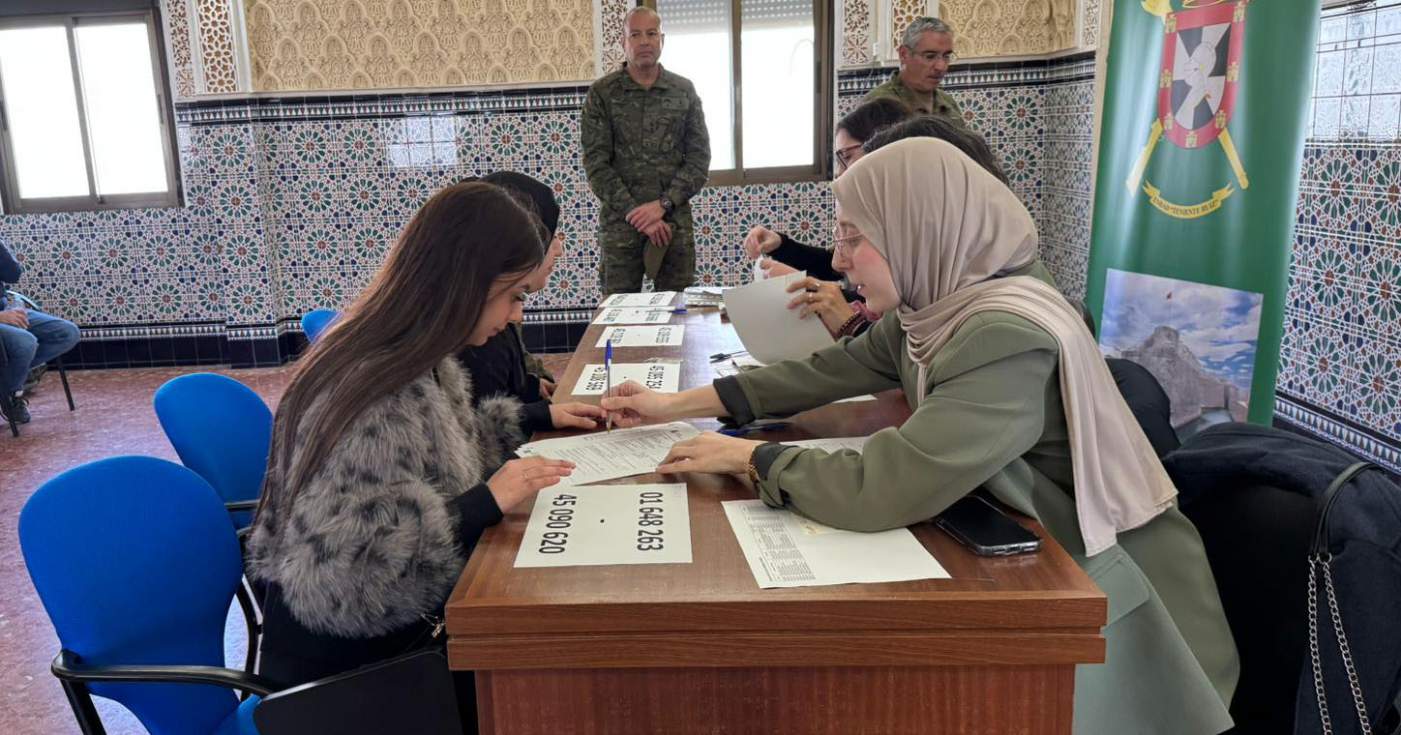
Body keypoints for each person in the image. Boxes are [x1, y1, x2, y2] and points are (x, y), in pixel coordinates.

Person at [601, 139, 1240, 734]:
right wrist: (673, 405)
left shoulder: (1003, 332)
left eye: (854, 238)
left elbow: (886, 485)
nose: (838, 260)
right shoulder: (938, 301)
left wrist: (752, 457)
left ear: (919, 227)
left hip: (1122, 610)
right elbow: (826, 371)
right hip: (1040, 552)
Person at [245, 182, 583, 714]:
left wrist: (535, 419)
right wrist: (482, 503)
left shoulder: (417, 357)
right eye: (515, 295)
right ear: (467, 285)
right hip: (348, 677)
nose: (518, 314)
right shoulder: (374, 388)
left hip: (398, 644)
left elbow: (449, 452)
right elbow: (346, 573)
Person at [457, 171, 603, 436]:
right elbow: (472, 433)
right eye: (551, 237)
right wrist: (536, 413)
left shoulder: (485, 319)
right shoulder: (473, 340)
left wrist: (532, 388)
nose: (559, 249)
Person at [581, 6, 711, 295]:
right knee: (617, 313)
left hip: (672, 224)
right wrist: (636, 214)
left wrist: (662, 205)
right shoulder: (602, 94)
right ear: (623, 42)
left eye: (651, 34)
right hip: (620, 227)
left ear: (662, 40)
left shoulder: (683, 91)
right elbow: (596, 166)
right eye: (635, 35)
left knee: (678, 309)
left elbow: (699, 161)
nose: (644, 42)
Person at [0, 240, 80, 425]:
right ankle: (11, 393)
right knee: (26, 342)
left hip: (5, 308)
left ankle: (7, 381)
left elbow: (13, 275)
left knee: (67, 333)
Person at [864, 17, 964, 122]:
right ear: (904, 54)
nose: (941, 67)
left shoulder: (948, 104)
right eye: (930, 56)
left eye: (946, 56)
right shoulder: (877, 106)